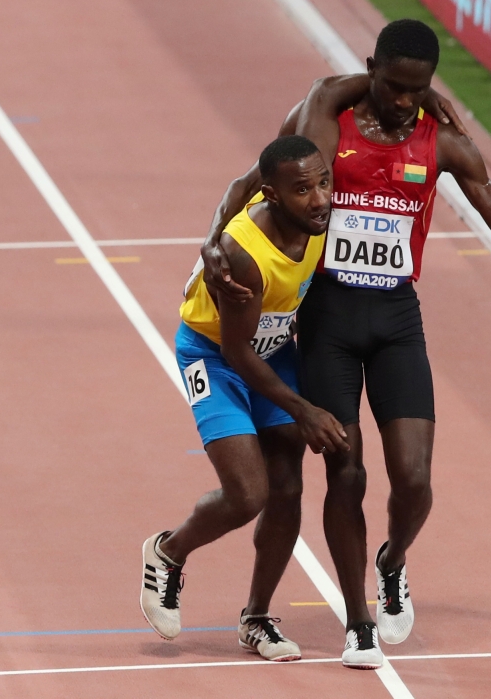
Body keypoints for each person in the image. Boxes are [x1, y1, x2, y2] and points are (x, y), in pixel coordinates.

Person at [201, 19, 491, 669]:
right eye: (392, 87)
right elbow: (262, 173)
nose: (402, 102)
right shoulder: (329, 122)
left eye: (417, 91)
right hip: (329, 319)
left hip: (396, 317)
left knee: (415, 479)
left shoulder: (442, 141)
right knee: (346, 470)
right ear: (372, 73)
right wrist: (213, 241)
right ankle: (359, 621)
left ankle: (392, 560)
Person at [141, 135, 350, 662]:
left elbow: (242, 180)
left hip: (274, 346)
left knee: (287, 485)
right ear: (273, 196)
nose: (320, 198)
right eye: (302, 190)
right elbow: (236, 351)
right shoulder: (243, 254)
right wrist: (305, 409)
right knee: (248, 493)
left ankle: (257, 618)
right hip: (215, 355)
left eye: (323, 181)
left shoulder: (317, 220)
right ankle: (168, 552)